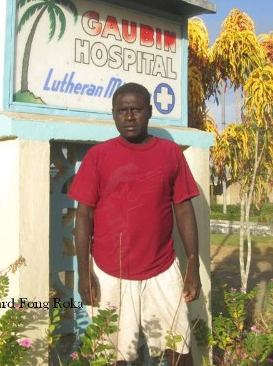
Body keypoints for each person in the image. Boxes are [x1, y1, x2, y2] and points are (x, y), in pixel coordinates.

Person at [69, 82, 201, 365]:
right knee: (113, 353)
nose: (129, 116)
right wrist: (83, 271)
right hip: (110, 272)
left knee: (179, 347)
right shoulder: (98, 156)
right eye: (122, 110)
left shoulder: (170, 153)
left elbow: (184, 209)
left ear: (149, 111)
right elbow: (84, 216)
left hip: (162, 268)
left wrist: (193, 264)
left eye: (136, 109)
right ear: (113, 114)